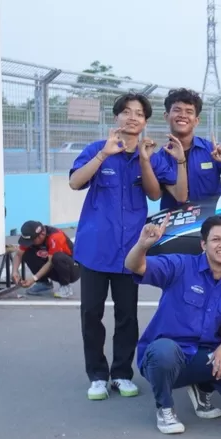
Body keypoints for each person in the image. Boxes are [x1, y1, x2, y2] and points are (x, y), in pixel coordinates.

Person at [68, 92, 177, 401]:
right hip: (95, 248)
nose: (133, 117)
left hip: (130, 251)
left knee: (127, 315)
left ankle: (121, 373)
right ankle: (97, 375)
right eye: (127, 112)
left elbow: (156, 194)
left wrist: (144, 159)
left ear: (145, 121)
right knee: (91, 313)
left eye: (139, 113)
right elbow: (76, 182)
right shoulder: (96, 150)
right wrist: (103, 154)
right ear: (116, 117)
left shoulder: (151, 155)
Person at [125, 214, 221, 434]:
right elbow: (135, 266)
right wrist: (142, 246)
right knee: (164, 352)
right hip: (166, 354)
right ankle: (165, 408)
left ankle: (203, 387)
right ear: (203, 244)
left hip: (204, 355)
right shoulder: (180, 265)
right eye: (216, 239)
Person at [155, 88, 221, 211]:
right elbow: (168, 196)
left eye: (189, 111)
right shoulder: (160, 158)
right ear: (166, 116)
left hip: (212, 222)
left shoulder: (211, 149)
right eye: (177, 110)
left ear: (196, 121)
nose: (183, 115)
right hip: (178, 226)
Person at [12, 220, 80, 298]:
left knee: (57, 257)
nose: (30, 243)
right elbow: (18, 255)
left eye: (32, 241)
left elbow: (50, 263)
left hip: (72, 269)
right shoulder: (32, 235)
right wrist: (14, 272)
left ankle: (65, 287)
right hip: (53, 267)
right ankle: (44, 283)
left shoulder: (56, 236)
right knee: (26, 253)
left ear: (41, 235)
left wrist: (33, 279)